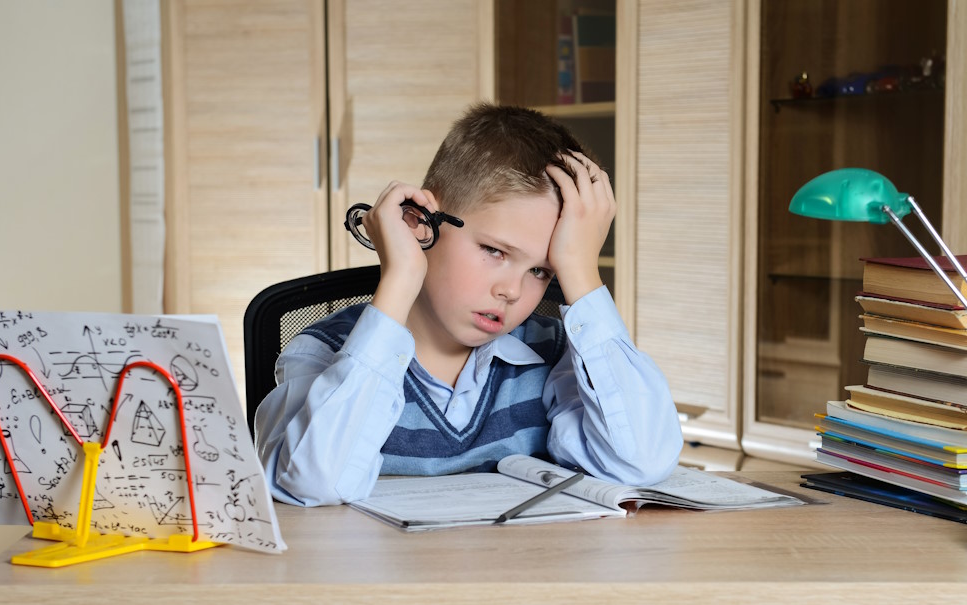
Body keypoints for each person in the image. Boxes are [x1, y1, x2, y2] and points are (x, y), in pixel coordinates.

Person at [254, 103, 682, 506]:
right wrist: (400, 276)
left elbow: (642, 462)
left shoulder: (553, 356)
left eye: (541, 271)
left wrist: (581, 271)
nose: (512, 291)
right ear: (420, 221)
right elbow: (316, 481)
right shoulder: (326, 351)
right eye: (495, 251)